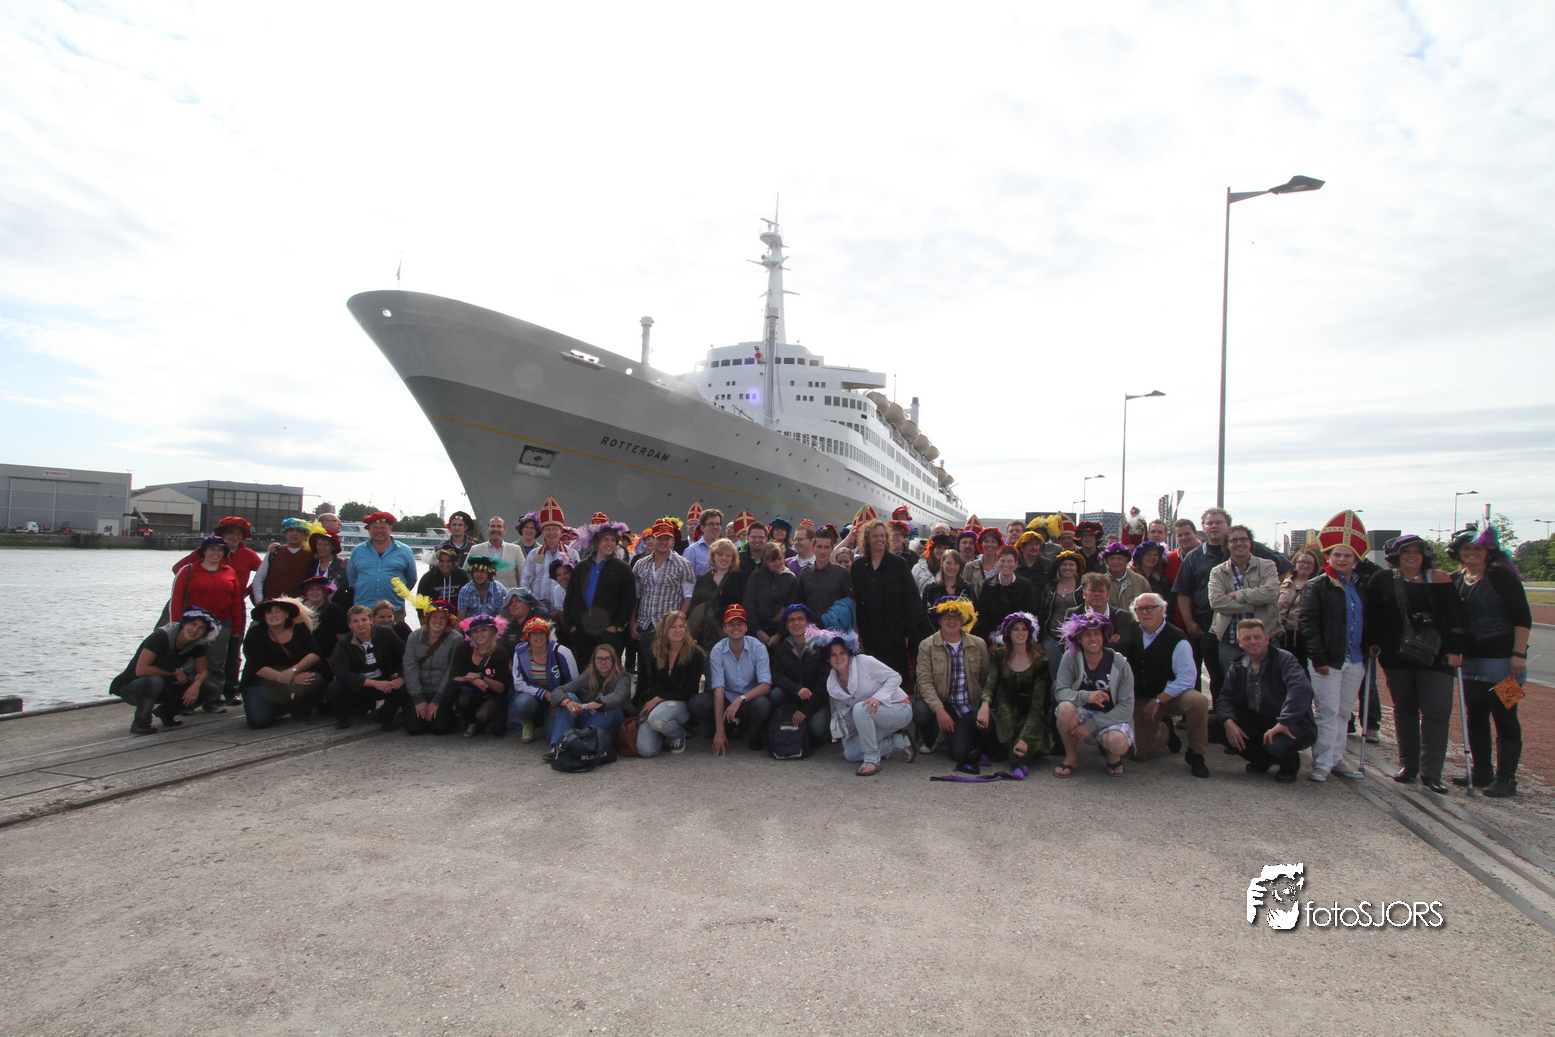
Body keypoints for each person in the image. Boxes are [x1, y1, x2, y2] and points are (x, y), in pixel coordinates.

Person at [1362, 535, 1464, 794]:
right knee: (1404, 710)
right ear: (1396, 555)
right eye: (1405, 551)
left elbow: (1455, 617)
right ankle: (1408, 765)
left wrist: (1454, 650)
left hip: (1436, 656)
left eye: (1417, 551)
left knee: (1436, 712)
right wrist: (1372, 642)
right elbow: (1372, 615)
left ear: (1424, 555)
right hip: (1396, 656)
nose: (1411, 556)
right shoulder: (1382, 579)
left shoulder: (1439, 579)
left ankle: (1432, 772)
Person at [1449, 525, 1532, 797]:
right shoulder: (1456, 580)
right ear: (1458, 552)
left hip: (1506, 663)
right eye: (1466, 548)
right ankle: (1481, 770)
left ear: (1488, 552)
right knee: (1476, 715)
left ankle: (1507, 778)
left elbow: (1522, 617)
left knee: (1506, 715)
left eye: (1477, 548)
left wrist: (1518, 654)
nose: (1471, 552)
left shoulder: (1502, 577)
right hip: (1471, 663)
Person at [1173, 508, 1289, 700]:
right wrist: (1189, 622)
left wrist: (1253, 596)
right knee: (1221, 678)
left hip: (1260, 626)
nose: (1214, 526)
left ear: (1228, 525)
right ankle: (1223, 715)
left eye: (1219, 522)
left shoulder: (1256, 551)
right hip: (1214, 628)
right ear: (1203, 527)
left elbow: (1282, 572)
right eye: (1210, 523)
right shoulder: (1196, 558)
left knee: (1265, 680)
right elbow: (1186, 593)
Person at [1299, 510, 1370, 782]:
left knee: (1343, 712)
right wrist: (1318, 657)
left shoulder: (1362, 586)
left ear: (1356, 559)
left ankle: (1336, 758)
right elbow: (1309, 623)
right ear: (1327, 557)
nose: (1341, 559)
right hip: (1328, 659)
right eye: (1337, 555)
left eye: (1347, 556)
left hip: (1355, 657)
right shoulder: (1317, 586)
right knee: (1327, 711)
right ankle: (1321, 762)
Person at [1211, 619, 1318, 782]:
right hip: (1260, 721)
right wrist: (1228, 721)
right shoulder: (1237, 666)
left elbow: (1302, 690)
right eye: (1247, 639)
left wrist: (1285, 721)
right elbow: (1225, 698)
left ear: (1267, 639)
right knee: (1213, 723)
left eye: (1257, 637)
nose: (1253, 642)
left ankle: (1289, 766)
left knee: (1277, 744)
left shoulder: (1285, 659)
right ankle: (1262, 759)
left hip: (1292, 723)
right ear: (1239, 642)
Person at [1129, 592, 1210, 777]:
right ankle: (1164, 730)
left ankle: (1197, 754)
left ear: (1162, 610)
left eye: (1150, 608)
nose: (1145, 612)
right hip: (1143, 696)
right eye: (1140, 609)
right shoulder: (1131, 631)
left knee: (1198, 701)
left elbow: (1187, 678)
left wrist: (1158, 701)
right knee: (1137, 754)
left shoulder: (1177, 638)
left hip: (1172, 696)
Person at [110, 608, 223, 734]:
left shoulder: (198, 644)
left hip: (163, 686)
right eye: (193, 624)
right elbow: (141, 670)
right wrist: (174, 672)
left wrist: (196, 685)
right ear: (184, 624)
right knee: (154, 680)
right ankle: (141, 723)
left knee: (210, 689)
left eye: (201, 628)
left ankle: (166, 712)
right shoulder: (161, 636)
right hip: (133, 686)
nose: (195, 630)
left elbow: (203, 672)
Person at [1051, 611, 1135, 777]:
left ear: (1104, 637)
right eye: (1087, 635)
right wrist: (1086, 696)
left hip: (1111, 717)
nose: (1093, 638)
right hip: (1082, 713)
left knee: (1117, 743)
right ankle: (1071, 758)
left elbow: (1126, 708)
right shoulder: (1070, 657)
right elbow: (1060, 691)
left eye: (1097, 633)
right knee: (1065, 708)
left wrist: (1091, 725)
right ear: (1079, 639)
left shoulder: (1119, 663)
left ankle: (1113, 758)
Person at [167, 534, 245, 711]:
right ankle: (185, 703)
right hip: (193, 624)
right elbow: (176, 600)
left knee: (216, 664)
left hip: (222, 623)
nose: (216, 553)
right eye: (212, 549)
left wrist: (237, 627)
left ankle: (213, 701)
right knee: (189, 664)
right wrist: (177, 626)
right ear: (203, 551)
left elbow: (235, 602)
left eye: (220, 550)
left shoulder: (229, 572)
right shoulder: (188, 570)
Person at [823, 632, 916, 776]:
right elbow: (842, 715)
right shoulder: (832, 684)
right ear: (828, 659)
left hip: (899, 709)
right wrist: (846, 745)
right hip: (871, 719)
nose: (839, 658)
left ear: (848, 653)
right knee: (851, 754)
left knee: (860, 709)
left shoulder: (864, 661)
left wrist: (878, 698)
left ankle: (871, 761)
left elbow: (895, 677)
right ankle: (900, 742)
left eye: (842, 653)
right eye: (833, 655)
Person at [912, 596, 989, 763]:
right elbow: (924, 682)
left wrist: (984, 705)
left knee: (959, 755)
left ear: (963, 619)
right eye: (947, 617)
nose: (952, 621)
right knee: (920, 710)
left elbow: (986, 679)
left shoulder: (979, 644)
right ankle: (932, 738)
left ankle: (955, 733)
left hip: (965, 706)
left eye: (956, 617)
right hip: (940, 702)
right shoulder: (927, 645)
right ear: (939, 620)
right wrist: (939, 710)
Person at [690, 605, 773, 755]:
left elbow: (765, 685)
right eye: (731, 624)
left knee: (763, 705)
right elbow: (718, 689)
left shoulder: (758, 647)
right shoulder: (717, 650)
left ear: (746, 627)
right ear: (724, 629)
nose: (736, 628)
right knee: (698, 702)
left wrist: (740, 699)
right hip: (726, 699)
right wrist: (719, 730)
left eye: (740, 624)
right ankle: (720, 730)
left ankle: (752, 734)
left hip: (749, 699)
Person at [976, 611, 1051, 776]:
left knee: (1017, 762)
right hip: (1004, 717)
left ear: (1030, 632)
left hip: (1029, 720)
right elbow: (990, 684)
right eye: (1016, 629)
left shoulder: (1040, 661)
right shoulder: (1000, 655)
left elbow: (1038, 705)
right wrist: (985, 704)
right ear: (1008, 633)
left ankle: (1021, 745)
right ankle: (1000, 745)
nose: (1020, 633)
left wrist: (1025, 738)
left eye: (1024, 629)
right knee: (978, 722)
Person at [629, 518, 696, 696]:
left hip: (667, 627)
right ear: (653, 538)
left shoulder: (684, 565)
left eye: (667, 538)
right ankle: (641, 701)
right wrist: (632, 621)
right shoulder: (640, 564)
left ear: (672, 540)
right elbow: (636, 596)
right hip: (644, 625)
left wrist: (677, 624)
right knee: (644, 670)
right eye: (660, 538)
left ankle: (659, 700)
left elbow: (688, 597)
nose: (663, 542)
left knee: (663, 671)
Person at [1207, 524, 1282, 681]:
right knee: (1234, 687)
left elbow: (1271, 593)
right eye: (1234, 540)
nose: (1239, 543)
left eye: (1243, 539)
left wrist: (1237, 595)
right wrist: (1255, 602)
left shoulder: (1267, 566)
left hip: (1265, 639)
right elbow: (1217, 602)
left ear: (1250, 542)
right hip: (1231, 642)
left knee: (1268, 685)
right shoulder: (1218, 571)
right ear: (1227, 545)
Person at [850, 518, 922, 681]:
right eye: (875, 536)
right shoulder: (858, 566)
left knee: (895, 676)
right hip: (868, 634)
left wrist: (908, 632)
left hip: (894, 633)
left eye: (882, 535)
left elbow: (912, 600)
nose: (880, 539)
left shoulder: (899, 564)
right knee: (871, 678)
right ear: (867, 539)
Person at [239, 597, 326, 729]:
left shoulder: (299, 628)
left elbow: (316, 653)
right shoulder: (254, 634)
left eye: (278, 611)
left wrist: (293, 671)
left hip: (291, 676)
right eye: (269, 612)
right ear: (264, 616)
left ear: (287, 614)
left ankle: (298, 710)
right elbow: (258, 668)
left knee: (315, 679)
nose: (273, 615)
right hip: (259, 683)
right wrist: (290, 679)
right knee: (259, 722)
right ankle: (277, 706)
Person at [544, 643, 632, 762]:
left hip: (610, 723)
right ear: (594, 661)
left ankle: (578, 744)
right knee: (569, 697)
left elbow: (618, 696)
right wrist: (568, 702)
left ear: (613, 660)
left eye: (607, 659)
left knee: (609, 708)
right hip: (589, 720)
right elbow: (558, 691)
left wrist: (594, 704)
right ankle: (558, 746)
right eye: (599, 659)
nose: (603, 662)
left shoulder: (623, 677)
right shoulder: (588, 675)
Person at [634, 611, 706, 757]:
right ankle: (663, 732)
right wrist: (651, 701)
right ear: (665, 630)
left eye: (681, 626)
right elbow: (654, 683)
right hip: (658, 701)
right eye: (673, 627)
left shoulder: (695, 654)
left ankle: (677, 734)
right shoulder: (657, 651)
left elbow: (690, 690)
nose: (678, 630)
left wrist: (658, 699)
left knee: (657, 719)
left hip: (680, 703)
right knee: (646, 750)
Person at [563, 521, 636, 663]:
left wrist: (616, 625)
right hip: (582, 631)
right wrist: (571, 626)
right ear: (596, 542)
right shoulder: (581, 567)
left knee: (607, 670)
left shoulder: (622, 569)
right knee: (584, 669)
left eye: (613, 540)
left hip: (608, 632)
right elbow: (570, 597)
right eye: (605, 539)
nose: (610, 543)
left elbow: (629, 600)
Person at [326, 604, 405, 730]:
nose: (360, 624)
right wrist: (374, 683)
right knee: (334, 688)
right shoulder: (345, 642)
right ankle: (343, 718)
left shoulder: (386, 633)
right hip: (361, 683)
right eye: (355, 621)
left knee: (404, 686)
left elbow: (406, 655)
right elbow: (342, 673)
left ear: (371, 620)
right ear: (349, 625)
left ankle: (385, 715)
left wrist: (401, 676)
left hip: (385, 678)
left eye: (364, 620)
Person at [769, 603, 832, 747]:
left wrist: (806, 711)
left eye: (800, 619)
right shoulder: (781, 649)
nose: (796, 623)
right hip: (792, 699)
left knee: (817, 727)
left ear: (808, 622)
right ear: (786, 625)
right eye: (791, 620)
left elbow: (824, 681)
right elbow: (776, 675)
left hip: (817, 701)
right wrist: (796, 688)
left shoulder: (821, 646)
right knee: (775, 694)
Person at [510, 617, 577, 743]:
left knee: (554, 738)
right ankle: (527, 723)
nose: (538, 637)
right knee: (522, 704)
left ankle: (554, 720)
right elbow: (518, 684)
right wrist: (545, 694)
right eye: (534, 633)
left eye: (542, 632)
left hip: (558, 698)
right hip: (534, 696)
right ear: (527, 636)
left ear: (547, 635)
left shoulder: (562, 652)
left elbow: (574, 682)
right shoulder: (520, 653)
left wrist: (559, 701)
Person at [399, 600, 462, 735]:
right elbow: (410, 668)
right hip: (420, 690)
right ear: (428, 618)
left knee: (439, 728)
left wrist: (437, 701)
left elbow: (451, 671)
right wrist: (418, 699)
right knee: (414, 729)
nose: (438, 621)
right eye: (435, 617)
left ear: (448, 621)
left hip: (442, 691)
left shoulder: (455, 639)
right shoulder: (414, 637)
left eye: (442, 618)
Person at [346, 512, 418, 621]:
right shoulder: (358, 551)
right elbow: (352, 579)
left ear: (390, 528)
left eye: (383, 527)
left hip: (394, 609)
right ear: (369, 529)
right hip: (364, 610)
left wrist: (398, 592)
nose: (379, 531)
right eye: (375, 527)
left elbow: (411, 578)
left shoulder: (404, 551)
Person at [1065, 572, 1143, 671]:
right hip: (1080, 667)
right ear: (1084, 594)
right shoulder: (1073, 614)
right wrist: (1107, 641)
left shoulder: (1122, 616)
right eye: (1093, 590)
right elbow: (1069, 646)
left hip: (1113, 668)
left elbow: (1123, 648)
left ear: (1107, 595)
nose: (1097, 594)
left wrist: (1089, 644)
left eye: (1101, 591)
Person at [453, 615, 513, 738]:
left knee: (482, 716)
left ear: (493, 632)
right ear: (470, 634)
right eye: (475, 631)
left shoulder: (500, 652)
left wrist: (481, 677)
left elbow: (500, 688)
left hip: (492, 694)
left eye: (484, 630)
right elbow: (454, 677)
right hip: (470, 692)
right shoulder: (463, 649)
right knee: (463, 699)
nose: (479, 634)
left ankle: (487, 721)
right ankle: (470, 721)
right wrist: (473, 680)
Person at [687, 538, 749, 652]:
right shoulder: (703, 579)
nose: (724, 559)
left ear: (733, 558)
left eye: (728, 555)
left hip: (732, 634)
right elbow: (694, 607)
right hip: (706, 636)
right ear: (713, 557)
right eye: (720, 555)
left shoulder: (740, 578)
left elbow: (745, 604)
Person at [973, 544, 1038, 641]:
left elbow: (1030, 614)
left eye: (1010, 561)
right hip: (993, 637)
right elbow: (982, 616)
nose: (1006, 564)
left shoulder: (1025, 586)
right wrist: (989, 642)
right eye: (1002, 561)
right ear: (997, 563)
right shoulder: (988, 585)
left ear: (1016, 564)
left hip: (1018, 637)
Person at [1038, 550, 1085, 681]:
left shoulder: (1082, 588)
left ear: (1077, 568)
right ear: (1059, 567)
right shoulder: (1050, 587)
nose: (1068, 568)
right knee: (1054, 673)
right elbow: (1042, 612)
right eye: (1064, 564)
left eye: (1071, 565)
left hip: (1074, 637)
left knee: (1072, 672)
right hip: (1051, 636)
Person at [796, 526, 854, 628]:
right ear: (813, 548)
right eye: (819, 547)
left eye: (826, 547)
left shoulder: (842, 573)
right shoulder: (805, 573)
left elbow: (849, 604)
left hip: (835, 631)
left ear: (832, 549)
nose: (823, 551)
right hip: (811, 629)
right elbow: (800, 602)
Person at [523, 495, 577, 605]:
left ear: (561, 531)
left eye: (555, 529)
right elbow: (525, 583)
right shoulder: (533, 555)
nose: (551, 533)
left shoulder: (572, 553)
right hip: (539, 607)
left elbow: (578, 581)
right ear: (542, 532)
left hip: (564, 607)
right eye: (547, 529)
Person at [744, 542, 799, 646]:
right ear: (765, 561)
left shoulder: (790, 578)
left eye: (780, 559)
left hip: (781, 633)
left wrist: (779, 634)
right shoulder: (756, 576)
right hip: (757, 631)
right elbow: (748, 604)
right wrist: (758, 631)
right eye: (773, 561)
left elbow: (793, 604)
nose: (778, 563)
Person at [251, 517, 314, 602]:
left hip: (300, 606)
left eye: (299, 531)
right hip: (272, 604)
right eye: (291, 530)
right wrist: (259, 601)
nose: (294, 533)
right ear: (285, 532)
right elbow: (259, 579)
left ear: (305, 534)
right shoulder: (274, 552)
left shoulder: (312, 554)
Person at [1277, 546, 1322, 665]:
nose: (1305, 565)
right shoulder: (1283, 584)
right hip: (1283, 635)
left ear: (1314, 566)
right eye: (1302, 562)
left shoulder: (1318, 586)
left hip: (1305, 636)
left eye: (1309, 563)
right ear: (1295, 563)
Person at [300, 576, 350, 681]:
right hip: (304, 661)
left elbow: (343, 640)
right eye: (310, 589)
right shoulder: (300, 611)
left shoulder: (336, 611)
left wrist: (330, 661)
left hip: (328, 662)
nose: (314, 592)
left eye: (318, 589)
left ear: (324, 592)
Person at [468, 516, 524, 589]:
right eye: (492, 526)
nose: (495, 529)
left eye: (499, 526)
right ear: (487, 529)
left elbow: (524, 575)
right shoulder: (475, 549)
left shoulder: (515, 550)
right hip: (483, 594)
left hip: (508, 594)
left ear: (504, 531)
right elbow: (467, 574)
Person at [922, 547, 975, 624]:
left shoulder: (967, 587)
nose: (952, 567)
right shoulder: (931, 588)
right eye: (948, 563)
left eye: (956, 564)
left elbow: (973, 614)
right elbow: (924, 615)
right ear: (942, 563)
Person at [417, 547, 471, 613]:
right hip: (434, 616)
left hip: (458, 616)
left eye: (448, 561)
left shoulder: (462, 575)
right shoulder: (427, 578)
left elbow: (468, 599)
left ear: (453, 562)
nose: (445, 564)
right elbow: (420, 602)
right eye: (441, 561)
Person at [306, 528, 350, 607]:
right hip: (314, 607)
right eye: (319, 544)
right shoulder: (312, 565)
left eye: (325, 545)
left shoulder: (342, 565)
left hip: (336, 607)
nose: (321, 547)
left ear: (332, 547)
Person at [457, 554, 510, 619]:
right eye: (475, 571)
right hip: (471, 625)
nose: (479, 574)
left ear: (489, 573)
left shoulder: (500, 591)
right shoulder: (465, 591)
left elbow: (503, 619)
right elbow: (461, 618)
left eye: (483, 571)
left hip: (493, 624)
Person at [682, 507, 725, 576]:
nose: (715, 527)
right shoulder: (692, 551)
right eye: (711, 524)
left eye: (718, 524)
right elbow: (685, 578)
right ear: (702, 527)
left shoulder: (726, 550)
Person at [1013, 531, 1050, 599]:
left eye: (1036, 544)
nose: (1034, 547)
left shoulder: (1048, 565)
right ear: (1022, 547)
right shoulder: (1013, 565)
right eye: (1030, 544)